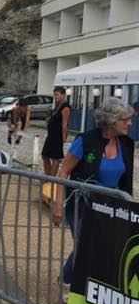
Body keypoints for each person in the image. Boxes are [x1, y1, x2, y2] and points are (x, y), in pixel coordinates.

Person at [53, 96, 134, 288]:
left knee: (100, 245)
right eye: (125, 119)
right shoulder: (85, 141)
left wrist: (129, 208)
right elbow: (64, 172)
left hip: (110, 205)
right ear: (111, 120)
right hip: (81, 204)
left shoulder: (127, 144)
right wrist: (58, 206)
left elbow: (126, 181)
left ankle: (76, 280)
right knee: (85, 244)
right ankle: (71, 284)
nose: (130, 123)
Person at [42, 86, 71, 176]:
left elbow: (65, 124)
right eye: (54, 95)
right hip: (51, 135)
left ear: (63, 95)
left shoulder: (65, 107)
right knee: (45, 155)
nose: (55, 97)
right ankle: (48, 176)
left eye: (57, 95)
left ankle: (51, 179)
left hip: (57, 135)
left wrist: (64, 138)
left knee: (55, 157)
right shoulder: (58, 106)